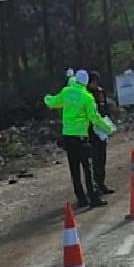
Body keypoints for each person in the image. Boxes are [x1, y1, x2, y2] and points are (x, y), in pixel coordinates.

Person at [44, 69, 115, 209]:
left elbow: (52, 103)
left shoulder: (66, 92)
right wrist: (108, 128)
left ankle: (81, 198)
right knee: (87, 168)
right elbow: (94, 118)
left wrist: (46, 98)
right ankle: (93, 198)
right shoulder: (87, 97)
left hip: (68, 137)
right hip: (81, 137)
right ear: (86, 83)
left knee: (74, 169)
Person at [86, 71, 115, 196]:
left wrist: (108, 123)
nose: (96, 84)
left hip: (102, 129)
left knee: (102, 158)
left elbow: (105, 109)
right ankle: (95, 187)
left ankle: (101, 184)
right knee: (94, 160)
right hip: (91, 131)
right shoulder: (87, 95)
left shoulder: (101, 92)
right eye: (94, 81)